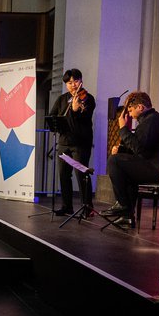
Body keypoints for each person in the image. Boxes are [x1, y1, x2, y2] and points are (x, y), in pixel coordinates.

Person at [104, 91, 159, 227]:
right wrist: (121, 150)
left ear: (140, 107)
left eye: (131, 109)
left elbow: (140, 149)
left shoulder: (152, 120)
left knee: (114, 161)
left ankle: (123, 205)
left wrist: (123, 127)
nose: (130, 114)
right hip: (156, 164)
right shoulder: (149, 119)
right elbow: (142, 148)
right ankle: (127, 216)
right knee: (123, 168)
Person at [49, 68, 96, 217]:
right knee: (63, 175)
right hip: (64, 142)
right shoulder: (62, 99)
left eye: (76, 81)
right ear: (66, 84)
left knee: (81, 175)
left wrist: (75, 111)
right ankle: (66, 206)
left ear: (81, 81)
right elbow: (52, 116)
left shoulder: (88, 99)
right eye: (69, 82)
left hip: (80, 142)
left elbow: (84, 117)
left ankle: (87, 208)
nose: (73, 85)